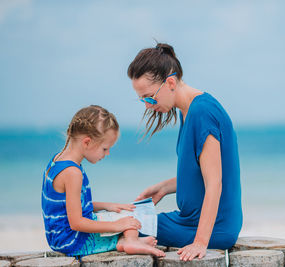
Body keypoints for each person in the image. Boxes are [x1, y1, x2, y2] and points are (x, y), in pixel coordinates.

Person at [127, 43, 243, 261]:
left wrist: (200, 242)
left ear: (170, 82)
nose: (147, 106)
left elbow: (214, 183)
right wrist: (163, 187)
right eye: (142, 99)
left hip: (213, 227)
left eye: (150, 97)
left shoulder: (202, 113)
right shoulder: (187, 110)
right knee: (130, 220)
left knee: (126, 227)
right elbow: (199, 174)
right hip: (189, 219)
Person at [41, 105, 165, 257]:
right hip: (70, 241)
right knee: (128, 222)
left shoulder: (58, 160)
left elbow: (69, 207)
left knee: (125, 218)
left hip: (60, 235)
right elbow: (76, 222)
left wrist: (107, 205)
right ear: (87, 142)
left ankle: (127, 240)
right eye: (105, 149)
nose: (107, 154)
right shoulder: (73, 173)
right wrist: (115, 226)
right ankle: (126, 242)